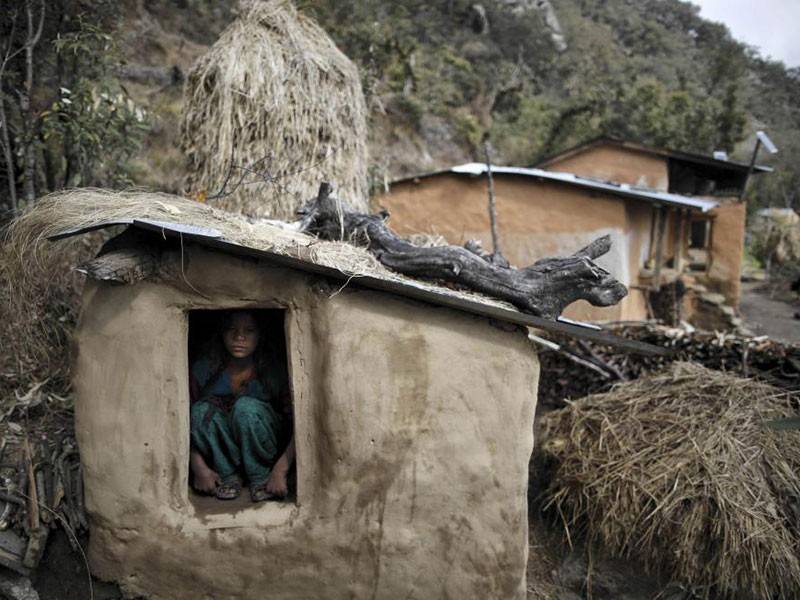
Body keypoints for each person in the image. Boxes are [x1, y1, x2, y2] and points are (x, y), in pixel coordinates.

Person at [189, 310, 294, 502]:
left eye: (249, 330)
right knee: (199, 412)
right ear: (221, 333)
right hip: (221, 456)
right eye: (231, 329)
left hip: (267, 451)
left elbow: (299, 426)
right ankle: (228, 477)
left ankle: (260, 477)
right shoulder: (204, 368)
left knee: (245, 409)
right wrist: (198, 467)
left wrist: (281, 470)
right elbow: (179, 423)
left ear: (260, 335)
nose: (239, 337)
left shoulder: (274, 371)